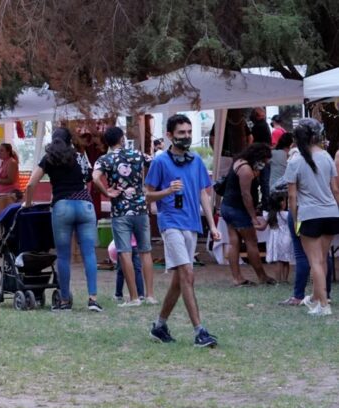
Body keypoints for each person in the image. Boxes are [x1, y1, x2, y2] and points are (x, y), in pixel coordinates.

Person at [145, 114, 221, 347]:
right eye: (181, 133)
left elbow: (203, 194)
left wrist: (212, 225)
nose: (186, 136)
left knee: (180, 279)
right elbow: (146, 196)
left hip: (192, 223)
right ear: (169, 135)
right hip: (170, 223)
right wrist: (167, 191)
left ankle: (159, 326)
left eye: (189, 132)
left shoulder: (196, 160)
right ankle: (200, 331)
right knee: (188, 273)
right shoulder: (160, 162)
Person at [24, 128, 103, 312]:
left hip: (62, 207)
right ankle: (93, 299)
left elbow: (30, 184)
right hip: (85, 206)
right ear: (70, 141)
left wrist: (27, 204)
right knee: (89, 254)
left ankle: (65, 301)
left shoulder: (49, 158)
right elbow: (89, 177)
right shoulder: (79, 156)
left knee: (63, 256)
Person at [93, 126, 156, 306]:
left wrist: (106, 192)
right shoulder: (137, 155)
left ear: (107, 142)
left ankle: (134, 297)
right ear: (122, 139)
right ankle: (150, 295)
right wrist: (148, 186)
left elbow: (95, 178)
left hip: (120, 211)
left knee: (125, 253)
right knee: (145, 251)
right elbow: (155, 163)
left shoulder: (105, 159)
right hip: (140, 209)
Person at [284, 118, 339, 316]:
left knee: (314, 261)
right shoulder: (326, 157)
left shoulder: (295, 161)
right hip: (331, 212)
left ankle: (323, 305)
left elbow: (292, 196)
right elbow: (335, 189)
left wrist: (295, 218)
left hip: (309, 214)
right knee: (322, 259)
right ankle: (318, 299)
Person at [220, 143, 275, 286]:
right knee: (251, 242)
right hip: (238, 209)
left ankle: (237, 277)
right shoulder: (246, 170)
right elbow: (246, 195)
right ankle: (262, 276)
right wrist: (253, 217)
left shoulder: (239, 162)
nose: (264, 164)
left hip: (227, 206)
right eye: (264, 161)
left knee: (234, 242)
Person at [265, 192, 292, 284]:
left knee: (278, 261)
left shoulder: (270, 215)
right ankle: (285, 280)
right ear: (282, 203)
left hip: (275, 239)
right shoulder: (286, 214)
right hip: (285, 238)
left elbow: (263, 227)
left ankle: (278, 280)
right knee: (286, 261)